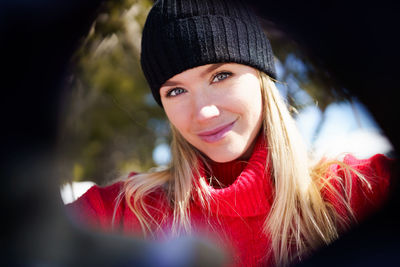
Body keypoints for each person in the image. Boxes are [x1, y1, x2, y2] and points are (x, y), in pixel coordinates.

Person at [67, 0, 393, 266]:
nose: (204, 112)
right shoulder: (127, 212)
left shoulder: (355, 193)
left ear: (261, 76)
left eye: (221, 75)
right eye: (176, 91)